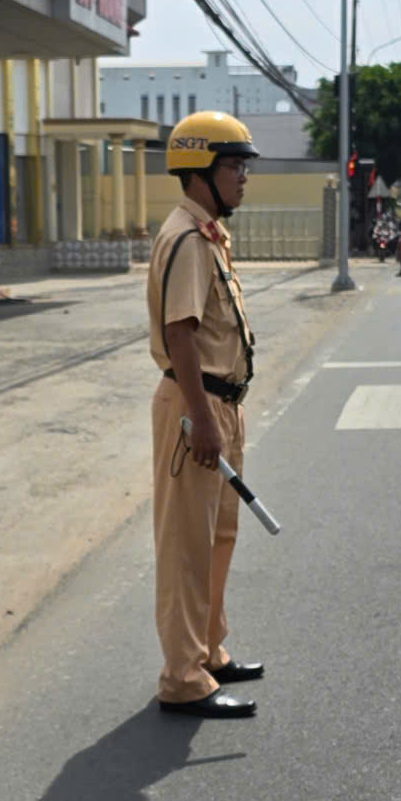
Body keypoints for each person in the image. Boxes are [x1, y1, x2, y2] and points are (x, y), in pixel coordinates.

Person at [146, 110, 269, 719]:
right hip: (198, 406)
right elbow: (180, 333)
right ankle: (183, 677)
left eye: (243, 166)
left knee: (219, 535)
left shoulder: (210, 234)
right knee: (187, 547)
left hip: (221, 403)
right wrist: (201, 418)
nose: (243, 177)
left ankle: (209, 652)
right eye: (233, 166)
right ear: (200, 172)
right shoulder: (189, 240)